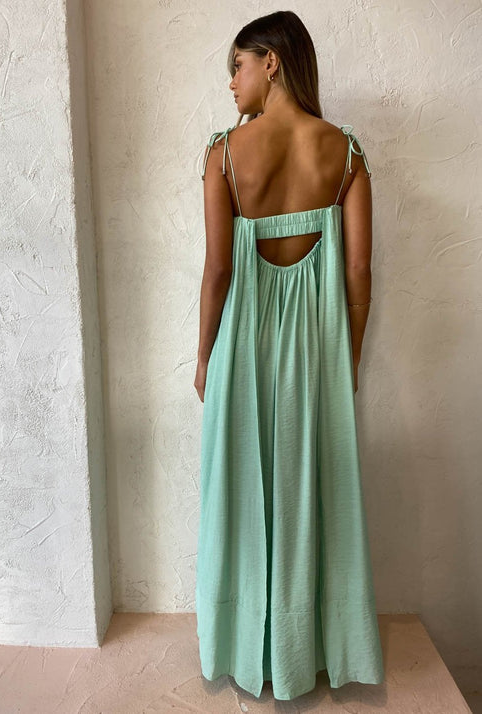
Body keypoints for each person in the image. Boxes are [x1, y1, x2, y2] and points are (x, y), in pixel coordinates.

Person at [193, 10, 384, 702]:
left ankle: (246, 647)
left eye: (237, 66)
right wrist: (347, 357)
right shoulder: (346, 153)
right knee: (314, 498)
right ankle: (314, 652)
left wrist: (203, 356)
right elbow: (357, 272)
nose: (231, 83)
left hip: (243, 349)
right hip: (316, 356)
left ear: (271, 61)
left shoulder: (224, 154)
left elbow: (219, 270)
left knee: (242, 497)